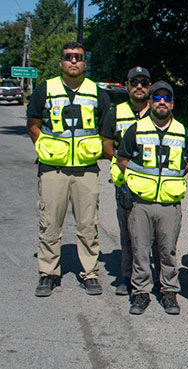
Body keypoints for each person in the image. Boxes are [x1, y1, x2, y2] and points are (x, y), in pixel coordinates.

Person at [26, 42, 111, 297]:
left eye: (79, 57)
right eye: (68, 57)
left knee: (88, 225)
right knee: (50, 224)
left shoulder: (97, 92)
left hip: (86, 170)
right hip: (53, 169)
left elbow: (106, 130)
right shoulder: (45, 89)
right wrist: (46, 148)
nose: (74, 61)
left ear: (86, 63)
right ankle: (48, 273)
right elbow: (33, 124)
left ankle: (90, 273)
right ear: (60, 62)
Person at [116, 81, 188, 315]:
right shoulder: (137, 129)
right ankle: (140, 292)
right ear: (150, 102)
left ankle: (169, 291)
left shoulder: (182, 131)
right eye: (157, 98)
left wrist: (173, 179)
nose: (162, 102)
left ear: (172, 103)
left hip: (170, 203)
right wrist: (135, 181)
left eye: (166, 98)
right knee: (140, 250)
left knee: (167, 250)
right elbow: (122, 158)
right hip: (141, 202)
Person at [101, 66, 161, 296]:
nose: (139, 86)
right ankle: (127, 276)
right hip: (125, 183)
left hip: (153, 184)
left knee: (153, 234)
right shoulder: (115, 113)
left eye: (144, 83)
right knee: (128, 234)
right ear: (127, 85)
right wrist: (124, 165)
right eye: (134, 82)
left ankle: (154, 277)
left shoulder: (159, 111)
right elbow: (107, 145)